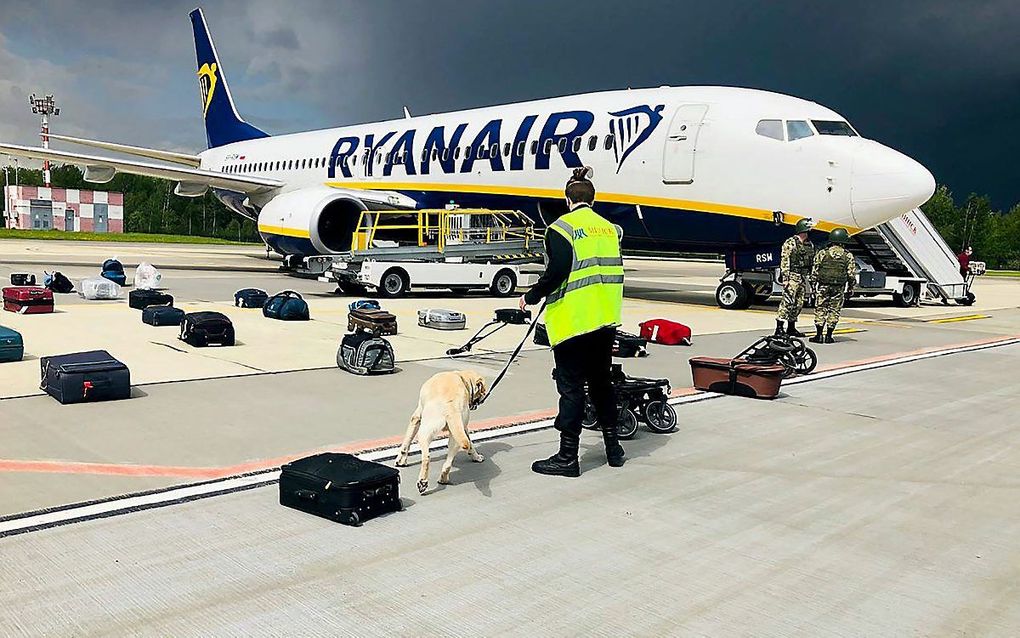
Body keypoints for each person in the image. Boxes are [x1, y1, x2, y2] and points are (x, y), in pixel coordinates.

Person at [520, 167, 625, 477]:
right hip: (605, 319)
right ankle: (613, 448)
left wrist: (532, 295)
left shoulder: (561, 228)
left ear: (567, 199)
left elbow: (558, 271)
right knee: (602, 384)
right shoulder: (609, 229)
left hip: (574, 322)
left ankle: (568, 457)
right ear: (592, 199)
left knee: (571, 389)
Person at [811, 227, 858, 344]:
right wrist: (851, 287)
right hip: (838, 287)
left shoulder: (822, 253)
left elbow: (815, 271)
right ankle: (829, 336)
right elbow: (851, 274)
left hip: (823, 286)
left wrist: (813, 286)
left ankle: (818, 335)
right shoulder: (847, 256)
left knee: (820, 308)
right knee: (834, 310)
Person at [775, 218, 815, 337]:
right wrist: (785, 278)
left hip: (802, 277)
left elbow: (811, 261)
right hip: (792, 276)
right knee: (787, 302)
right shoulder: (790, 243)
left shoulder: (809, 244)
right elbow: (785, 260)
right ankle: (779, 328)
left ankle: (791, 327)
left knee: (798, 303)